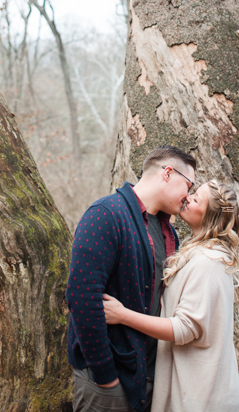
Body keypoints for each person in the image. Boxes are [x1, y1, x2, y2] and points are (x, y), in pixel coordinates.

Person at [66, 145, 196, 412]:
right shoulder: (106, 214)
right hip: (107, 385)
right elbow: (82, 298)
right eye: (189, 185)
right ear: (168, 173)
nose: (188, 197)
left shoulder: (169, 233)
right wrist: (105, 377)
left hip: (149, 380)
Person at [103, 180, 239, 412]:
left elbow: (184, 329)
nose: (187, 198)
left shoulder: (207, 263)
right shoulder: (203, 254)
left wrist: (123, 315)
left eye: (196, 199)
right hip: (200, 387)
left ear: (211, 217)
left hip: (200, 397)